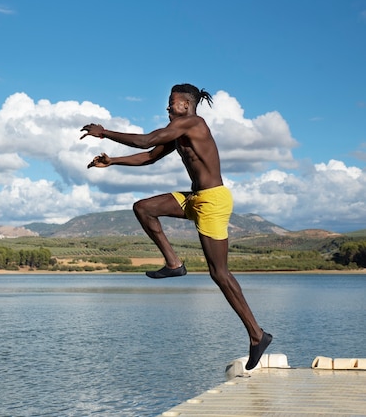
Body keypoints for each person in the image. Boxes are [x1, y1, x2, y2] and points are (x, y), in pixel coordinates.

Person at [79, 83, 272, 370]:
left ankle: (257, 335)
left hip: (213, 202)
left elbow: (146, 141)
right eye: (168, 103)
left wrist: (105, 132)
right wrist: (114, 161)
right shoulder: (180, 133)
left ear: (186, 104)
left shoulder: (194, 123)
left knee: (219, 274)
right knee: (143, 207)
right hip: (194, 198)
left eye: (172, 103)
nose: (168, 107)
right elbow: (149, 156)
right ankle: (174, 263)